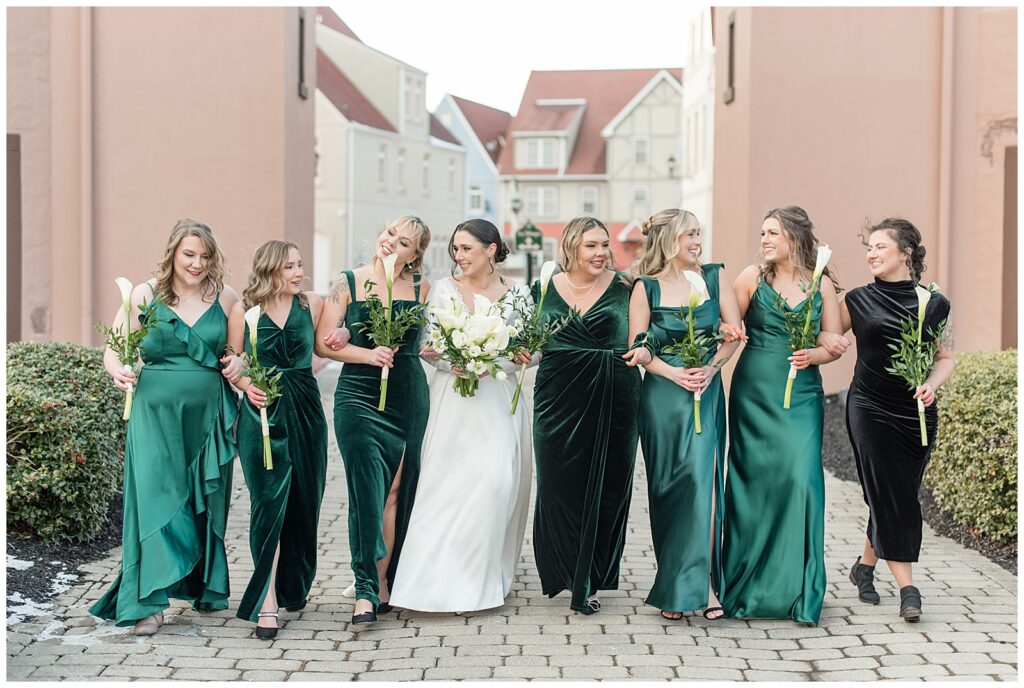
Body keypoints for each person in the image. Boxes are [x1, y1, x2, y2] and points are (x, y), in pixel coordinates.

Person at [90, 219, 242, 636]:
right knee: (156, 499)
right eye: (189, 254)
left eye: (204, 256)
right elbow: (115, 348)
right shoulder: (145, 294)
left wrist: (240, 363)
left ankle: (200, 583)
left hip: (207, 416)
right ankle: (148, 603)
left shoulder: (226, 297)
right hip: (154, 414)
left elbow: (237, 354)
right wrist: (118, 369)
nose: (196, 264)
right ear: (173, 252)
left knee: (203, 500)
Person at [388, 219, 533, 612]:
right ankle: (431, 580)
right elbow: (428, 347)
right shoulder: (444, 291)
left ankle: (479, 579)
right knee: (445, 487)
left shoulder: (518, 295)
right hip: (451, 399)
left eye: (467, 248)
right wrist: (450, 361)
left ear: (491, 249)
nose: (459, 256)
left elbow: (532, 349)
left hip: (497, 400)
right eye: (455, 248)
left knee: (497, 482)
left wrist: (507, 359)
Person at [818, 218, 954, 622]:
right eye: (869, 247)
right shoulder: (858, 300)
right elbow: (826, 336)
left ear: (905, 253)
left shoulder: (935, 303)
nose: (871, 254)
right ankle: (908, 590)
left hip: (916, 414)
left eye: (880, 246)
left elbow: (945, 359)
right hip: (869, 407)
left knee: (895, 493)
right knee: (891, 493)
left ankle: (864, 567)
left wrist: (931, 384)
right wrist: (821, 343)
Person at [719, 206, 843, 626]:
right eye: (763, 232)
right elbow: (724, 327)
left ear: (794, 236)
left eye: (773, 232)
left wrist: (817, 353)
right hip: (754, 391)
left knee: (802, 480)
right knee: (753, 483)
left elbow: (833, 341)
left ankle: (799, 589)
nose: (765, 239)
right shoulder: (751, 278)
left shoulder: (821, 284)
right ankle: (746, 586)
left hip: (803, 393)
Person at [627, 209, 743, 621]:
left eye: (699, 233)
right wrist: (671, 370)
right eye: (689, 234)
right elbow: (639, 348)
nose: (697, 241)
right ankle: (675, 583)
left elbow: (734, 334)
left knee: (703, 482)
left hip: (705, 391)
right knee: (668, 489)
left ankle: (707, 585)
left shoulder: (715, 277)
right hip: (663, 396)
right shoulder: (646, 288)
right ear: (668, 240)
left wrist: (712, 367)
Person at [315, 216, 431, 624]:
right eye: (388, 233)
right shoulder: (348, 282)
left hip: (408, 396)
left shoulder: (421, 288)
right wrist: (364, 351)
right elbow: (324, 343)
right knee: (367, 492)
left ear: (415, 255)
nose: (390, 242)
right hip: (359, 396)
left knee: (397, 490)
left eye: (403, 242)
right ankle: (364, 588)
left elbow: (425, 341)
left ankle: (384, 582)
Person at [532, 216, 647, 615]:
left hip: (615, 393)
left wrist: (648, 351)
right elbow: (531, 347)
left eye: (604, 245)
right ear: (571, 248)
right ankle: (564, 571)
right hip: (556, 396)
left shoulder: (627, 287)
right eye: (590, 246)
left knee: (607, 486)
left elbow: (641, 340)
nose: (600, 253)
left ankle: (590, 580)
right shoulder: (543, 287)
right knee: (557, 485)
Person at [228, 241, 335, 639]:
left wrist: (341, 336)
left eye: (300, 265)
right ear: (270, 269)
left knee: (305, 503)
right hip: (262, 413)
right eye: (289, 266)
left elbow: (323, 346)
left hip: (306, 409)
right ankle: (266, 600)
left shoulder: (312, 303)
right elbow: (232, 359)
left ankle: (292, 586)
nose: (298, 272)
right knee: (268, 503)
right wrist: (245, 383)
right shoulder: (244, 310)